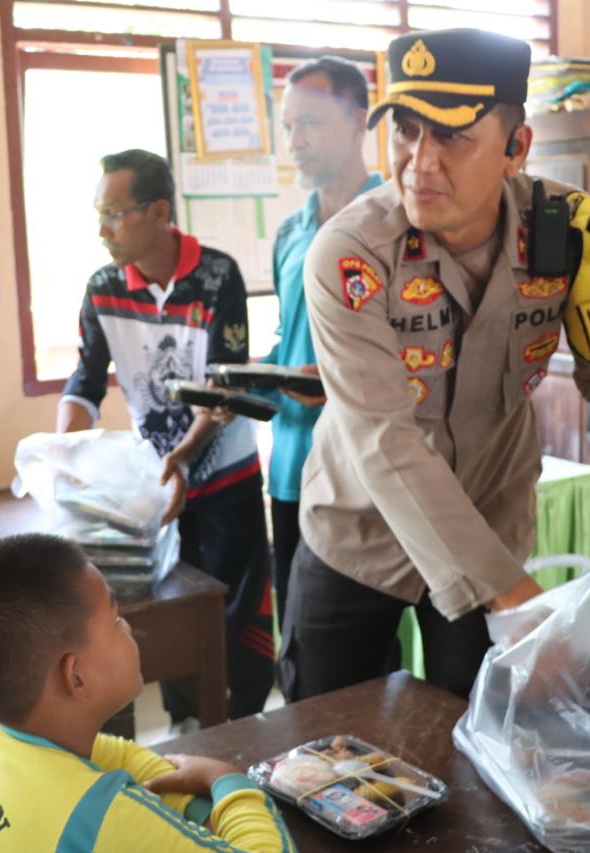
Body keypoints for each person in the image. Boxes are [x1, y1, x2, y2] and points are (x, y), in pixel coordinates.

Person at [279, 28, 590, 703]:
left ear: (517, 147)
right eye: (406, 132)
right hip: (356, 533)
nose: (418, 164)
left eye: (450, 136)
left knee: (477, 737)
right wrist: (520, 602)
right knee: (328, 748)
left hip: (487, 520)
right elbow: (383, 439)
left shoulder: (572, 232)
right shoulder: (350, 256)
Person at [0, 533, 295, 852]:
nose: (131, 628)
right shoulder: (89, 815)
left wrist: (190, 797)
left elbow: (121, 760)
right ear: (76, 678)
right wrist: (228, 781)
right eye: (117, 618)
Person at [57, 149, 274, 725]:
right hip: (153, 492)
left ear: (157, 212)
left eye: (113, 213)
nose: (103, 229)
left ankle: (249, 730)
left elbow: (221, 384)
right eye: (98, 214)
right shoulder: (103, 287)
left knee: (239, 615)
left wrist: (181, 458)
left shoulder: (217, 275)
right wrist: (62, 454)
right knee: (173, 619)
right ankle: (186, 730)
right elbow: (85, 380)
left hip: (225, 480)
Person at [263, 56, 382, 626]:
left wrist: (338, 388)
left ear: (359, 123)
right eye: (287, 126)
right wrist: (244, 381)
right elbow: (289, 342)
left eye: (309, 122)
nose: (295, 141)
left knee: (372, 656)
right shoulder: (291, 232)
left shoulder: (398, 225)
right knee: (303, 643)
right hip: (290, 468)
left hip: (367, 477)